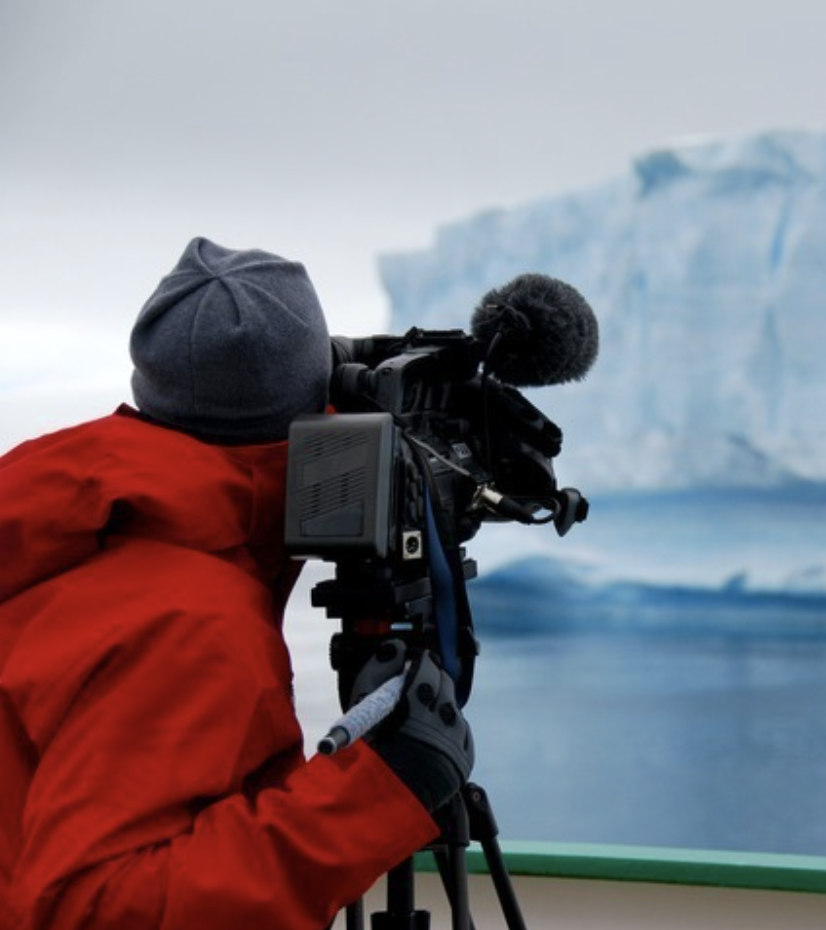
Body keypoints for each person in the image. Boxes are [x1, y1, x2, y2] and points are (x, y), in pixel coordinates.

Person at [0, 237, 474, 929]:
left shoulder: (66, 532)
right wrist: (371, 798)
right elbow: (92, 908)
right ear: (317, 411)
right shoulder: (190, 623)